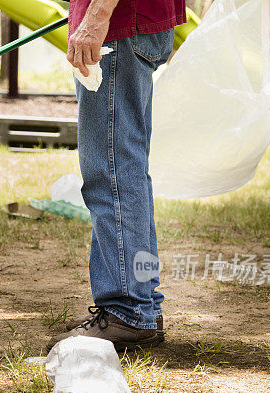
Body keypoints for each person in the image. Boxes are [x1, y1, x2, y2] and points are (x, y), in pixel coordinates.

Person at [47, 0, 185, 351]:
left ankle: (127, 310)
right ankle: (142, 305)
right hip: (133, 23)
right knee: (126, 169)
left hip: (119, 26)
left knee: (111, 171)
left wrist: (96, 16)